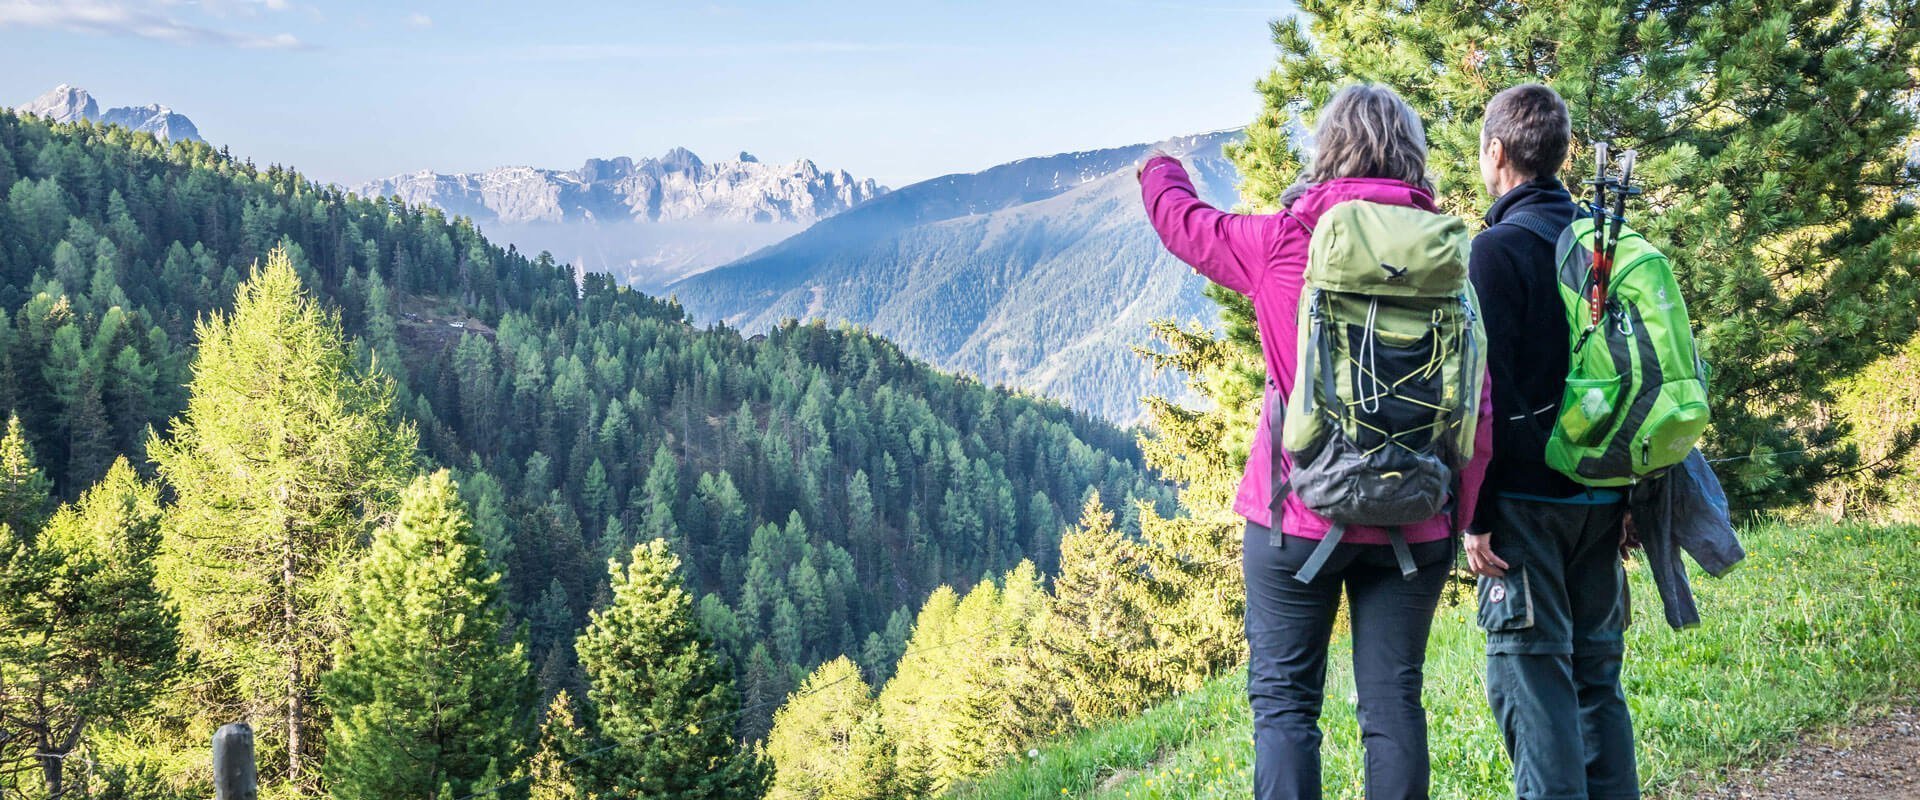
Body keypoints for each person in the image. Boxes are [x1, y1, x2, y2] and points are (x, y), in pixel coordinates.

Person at [1138, 83, 1493, 800]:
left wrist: (1159, 169)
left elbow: (1185, 225)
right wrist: (1466, 514)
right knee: (1394, 707)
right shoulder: (1449, 260)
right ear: (1413, 157)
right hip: (1416, 519)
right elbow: (1478, 409)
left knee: (1285, 707)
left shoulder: (1284, 241)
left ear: (1328, 150)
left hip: (1295, 518)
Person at [1462, 83, 1641, 800]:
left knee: (1536, 685)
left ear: (1497, 153)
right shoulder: (1606, 245)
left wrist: (1474, 518)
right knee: (1598, 679)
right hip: (1603, 492)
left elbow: (1488, 397)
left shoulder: (1494, 251)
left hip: (1526, 505)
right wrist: (1631, 488)